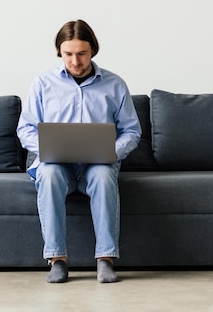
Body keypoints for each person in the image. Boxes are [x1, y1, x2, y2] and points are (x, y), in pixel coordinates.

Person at [17, 19, 141, 283]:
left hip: (97, 164)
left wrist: (110, 151)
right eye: (68, 54)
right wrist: (48, 148)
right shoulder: (42, 84)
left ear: (92, 50)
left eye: (81, 53)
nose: (75, 61)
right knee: (48, 175)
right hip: (57, 164)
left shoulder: (114, 84)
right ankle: (57, 260)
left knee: (104, 176)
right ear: (59, 52)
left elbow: (132, 132)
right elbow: (25, 129)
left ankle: (105, 259)